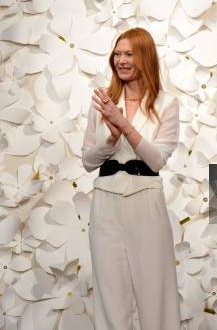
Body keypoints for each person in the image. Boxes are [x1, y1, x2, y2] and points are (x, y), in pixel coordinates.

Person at [81, 27, 182, 330]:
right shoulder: (102, 102)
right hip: (106, 202)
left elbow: (157, 159)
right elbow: (87, 161)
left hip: (146, 200)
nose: (121, 60)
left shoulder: (165, 103)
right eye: (117, 53)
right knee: (110, 294)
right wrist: (110, 139)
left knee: (156, 292)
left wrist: (123, 124)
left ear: (145, 57)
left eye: (129, 54)